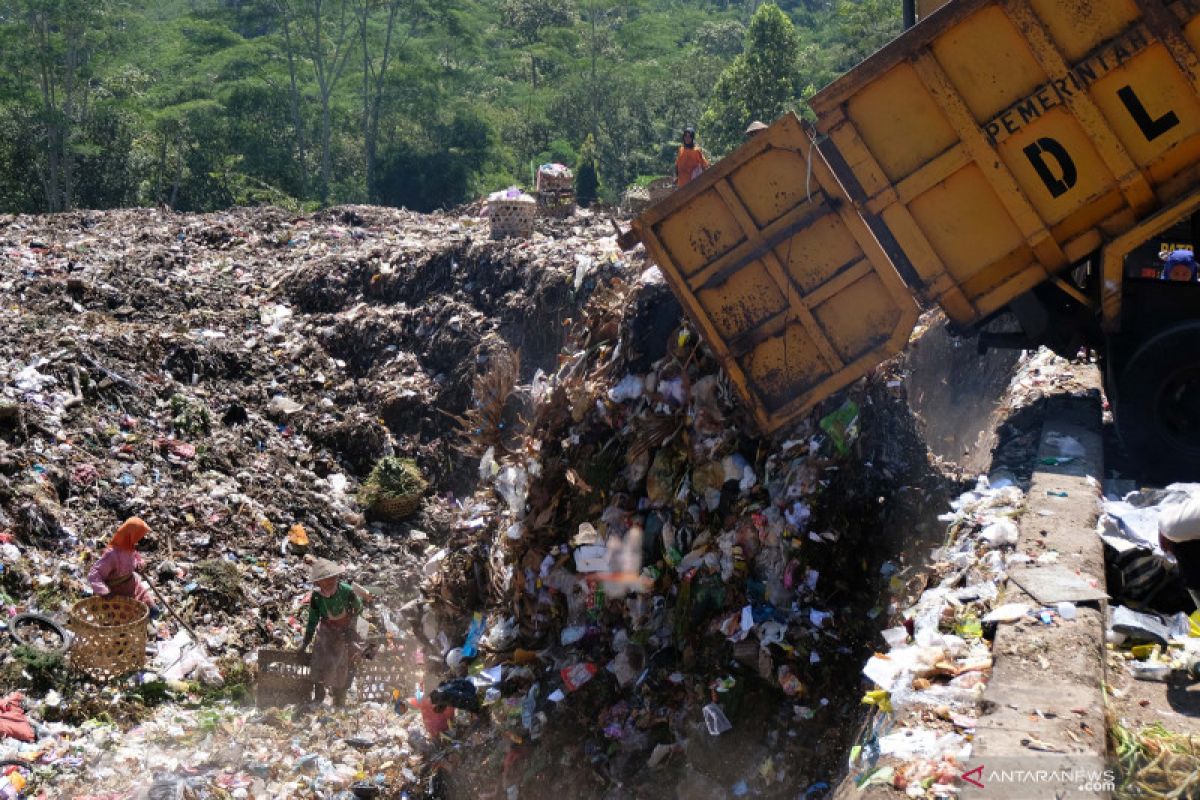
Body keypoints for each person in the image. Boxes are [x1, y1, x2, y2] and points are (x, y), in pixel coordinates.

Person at [300, 558, 364, 707]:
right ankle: (319, 695)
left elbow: (359, 609)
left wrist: (351, 629)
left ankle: (339, 698)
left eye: (331, 580)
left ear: (336, 578)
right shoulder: (316, 597)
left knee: (342, 663)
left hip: (345, 628)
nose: (328, 584)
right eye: (324, 582)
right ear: (318, 583)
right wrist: (306, 641)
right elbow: (313, 619)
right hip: (327, 628)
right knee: (319, 659)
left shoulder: (347, 591)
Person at [87, 517, 156, 611]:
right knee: (128, 619)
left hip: (134, 587)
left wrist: (140, 564)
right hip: (117, 594)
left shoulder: (131, 548)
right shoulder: (112, 554)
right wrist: (104, 592)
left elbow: (137, 558)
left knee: (154, 611)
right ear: (131, 535)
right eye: (140, 536)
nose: (142, 539)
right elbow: (95, 573)